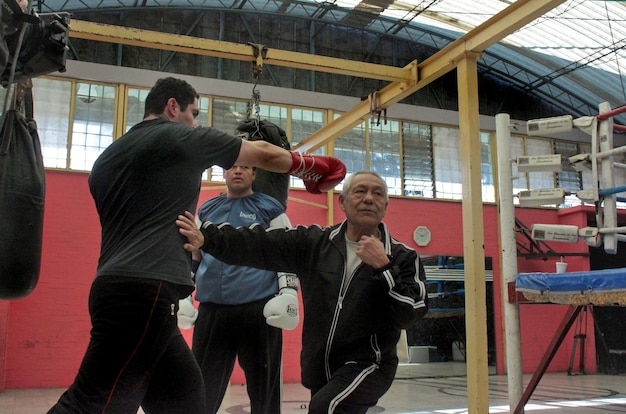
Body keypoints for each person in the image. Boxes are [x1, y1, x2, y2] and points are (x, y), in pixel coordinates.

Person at [48, 76, 345, 414]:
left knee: (186, 400)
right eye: (193, 113)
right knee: (92, 401)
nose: (195, 122)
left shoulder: (106, 161)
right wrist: (313, 167)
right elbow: (260, 152)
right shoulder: (181, 138)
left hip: (121, 288)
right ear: (172, 107)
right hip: (145, 290)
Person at [176, 170, 428, 414]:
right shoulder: (316, 244)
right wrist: (207, 238)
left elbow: (411, 313)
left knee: (326, 408)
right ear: (342, 202)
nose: (369, 199)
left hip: (368, 364)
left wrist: (383, 268)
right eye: (360, 191)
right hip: (320, 364)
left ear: (385, 205)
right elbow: (260, 243)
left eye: (378, 194)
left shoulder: (402, 257)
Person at [192, 164, 298, 414]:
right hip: (212, 311)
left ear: (254, 174)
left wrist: (288, 291)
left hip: (258, 310)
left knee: (264, 389)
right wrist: (184, 290)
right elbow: (194, 254)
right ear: (224, 174)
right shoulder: (206, 210)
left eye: (245, 167)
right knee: (200, 387)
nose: (238, 171)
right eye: (232, 167)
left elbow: (289, 251)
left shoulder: (270, 208)